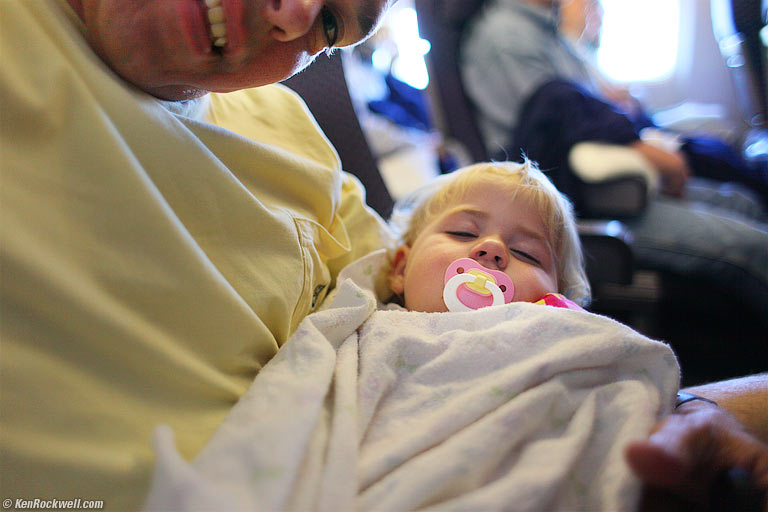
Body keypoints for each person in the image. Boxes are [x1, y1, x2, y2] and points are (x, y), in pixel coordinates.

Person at [0, 0, 765, 509]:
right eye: (469, 236)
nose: (298, 12)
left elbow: (411, 296)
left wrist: (674, 409)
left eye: (332, 22)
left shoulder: (283, 124)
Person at [459, 0, 768, 318]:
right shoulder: (509, 37)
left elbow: (588, 109)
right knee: (755, 247)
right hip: (584, 198)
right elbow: (559, 122)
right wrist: (648, 154)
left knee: (744, 202)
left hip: (615, 184)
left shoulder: (546, 30)